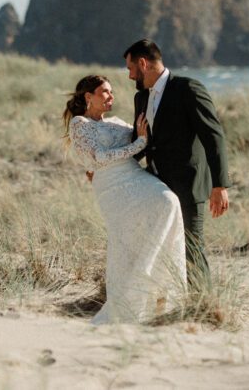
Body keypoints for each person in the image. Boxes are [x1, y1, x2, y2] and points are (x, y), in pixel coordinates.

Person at [64, 74, 186, 325]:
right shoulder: (79, 123)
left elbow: (146, 138)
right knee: (126, 240)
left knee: (169, 203)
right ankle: (129, 303)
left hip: (135, 176)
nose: (111, 96)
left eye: (112, 92)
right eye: (105, 92)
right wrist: (138, 143)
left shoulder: (118, 122)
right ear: (89, 97)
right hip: (111, 186)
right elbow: (97, 159)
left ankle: (160, 293)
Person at [124, 39, 230, 286]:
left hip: (188, 185)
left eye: (131, 69)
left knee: (191, 246)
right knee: (163, 246)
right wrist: (106, 167)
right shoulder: (141, 99)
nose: (130, 76)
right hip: (156, 187)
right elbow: (139, 144)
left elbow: (213, 135)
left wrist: (219, 185)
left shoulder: (188, 89)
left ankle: (203, 304)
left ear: (143, 63)